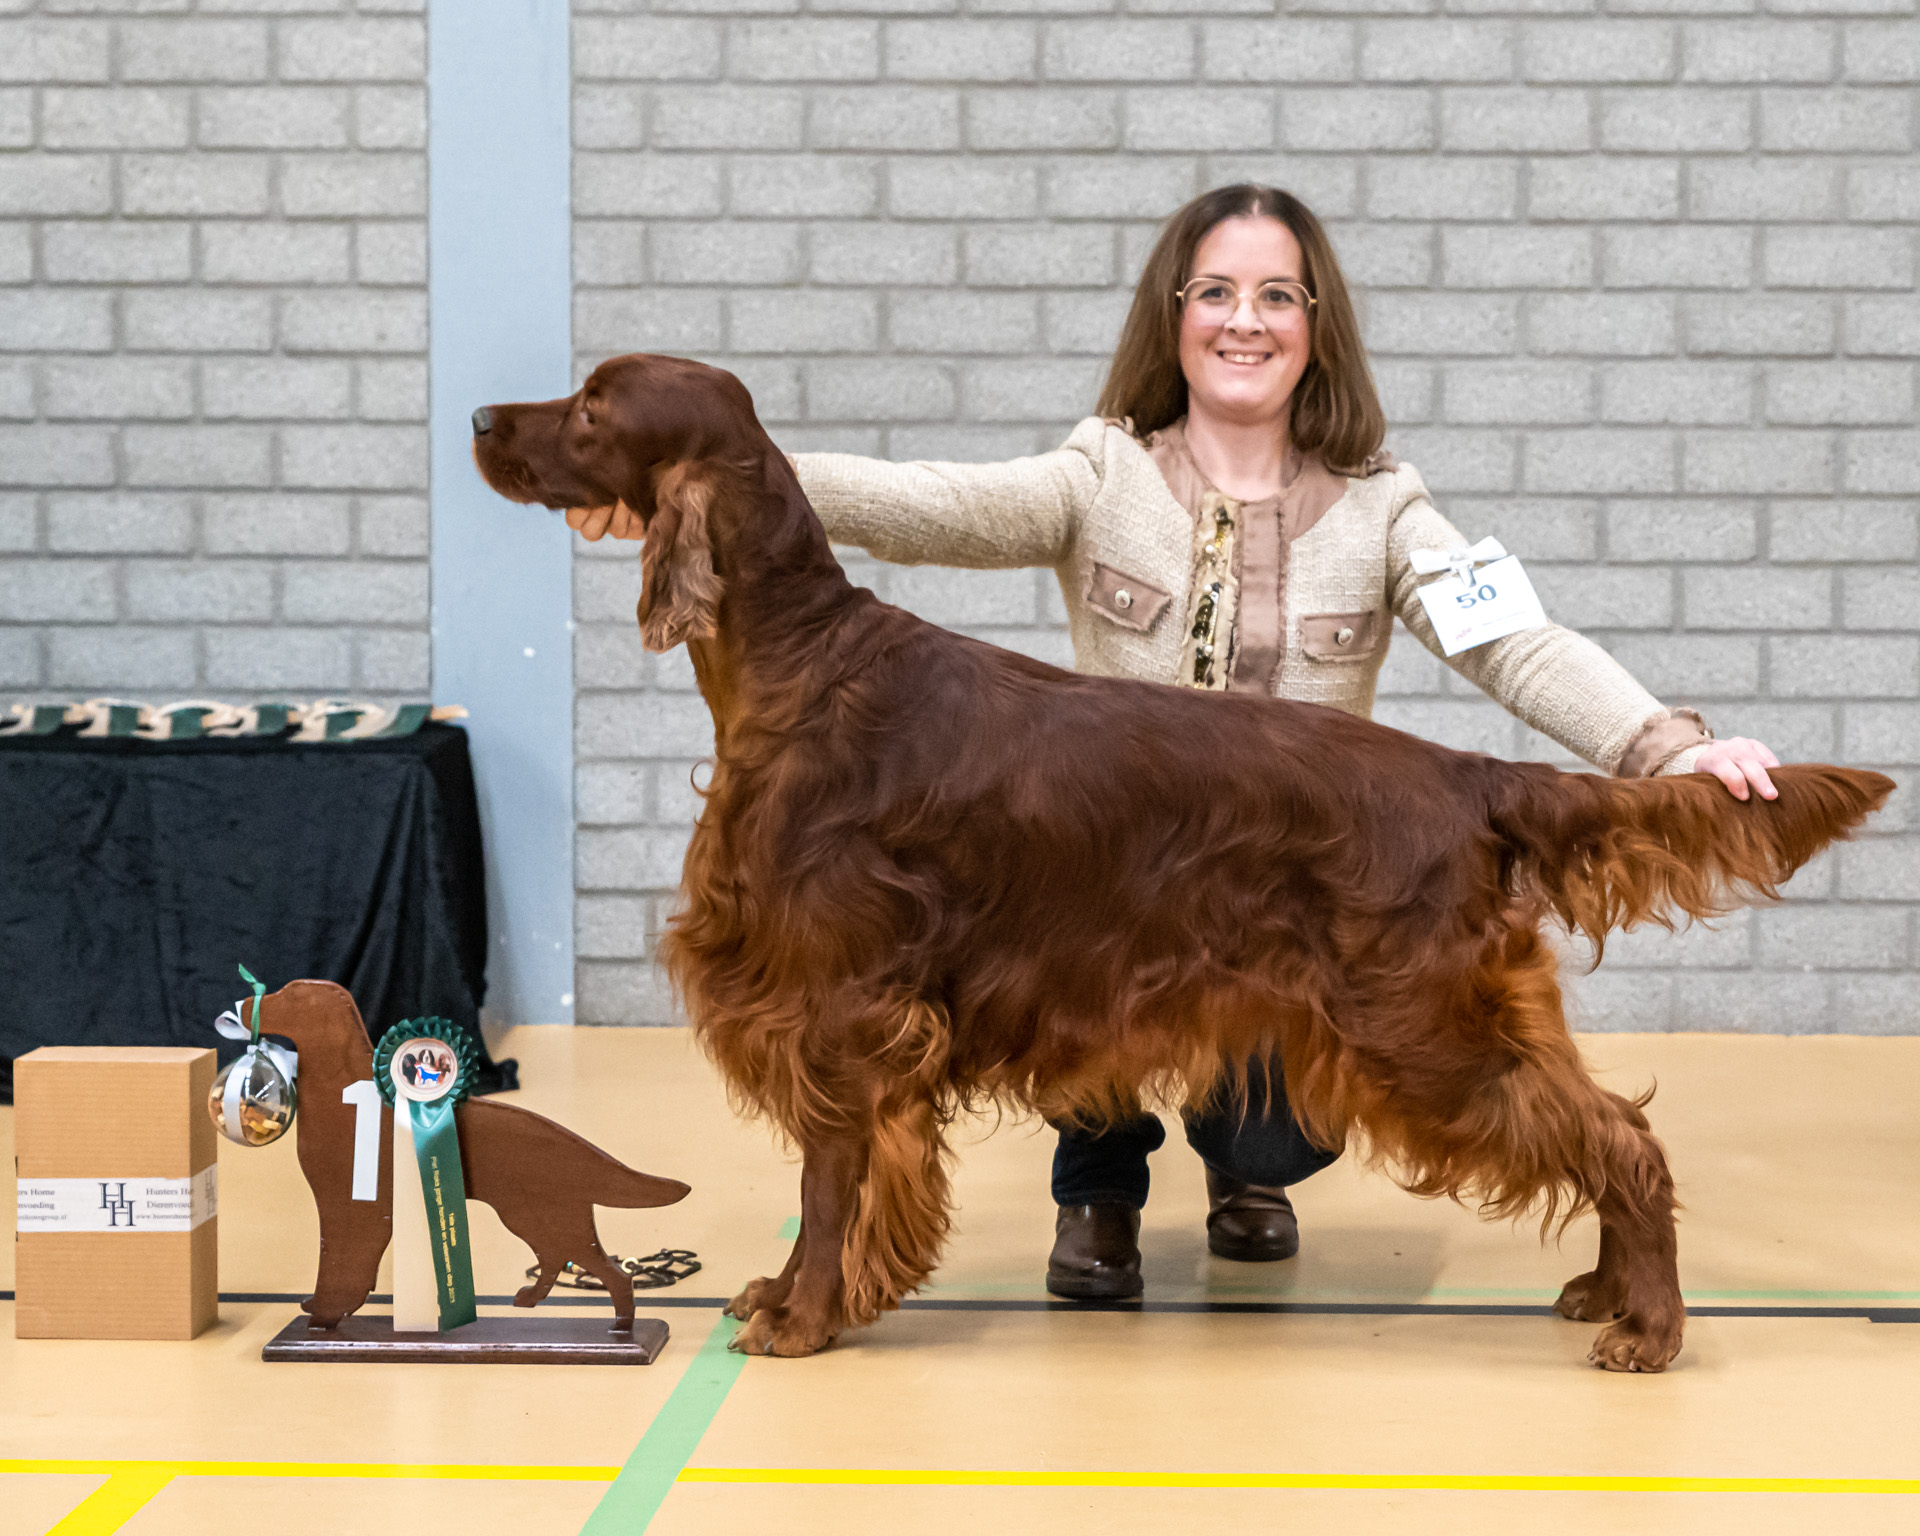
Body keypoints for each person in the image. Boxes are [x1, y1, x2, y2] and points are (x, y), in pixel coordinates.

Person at [567, 184, 1781, 1302]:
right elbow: (931, 504)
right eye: (1216, 292)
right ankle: (1096, 1194)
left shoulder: (1385, 507)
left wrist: (1664, 751)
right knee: (1036, 914)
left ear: (1316, 325)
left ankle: (1250, 1169)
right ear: (1176, 315)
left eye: (1276, 295)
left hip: (1297, 877)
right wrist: (719, 476)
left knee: (1340, 1094)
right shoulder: (1102, 474)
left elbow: (1516, 642)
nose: (1244, 320)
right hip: (1097, 878)